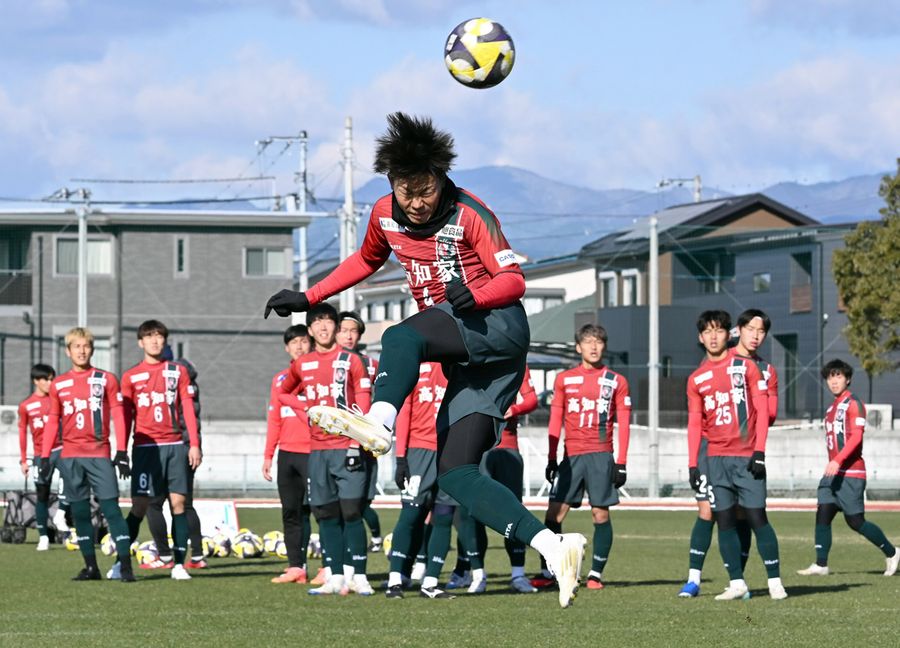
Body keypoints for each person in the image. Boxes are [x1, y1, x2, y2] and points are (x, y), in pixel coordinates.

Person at [265, 112, 586, 608]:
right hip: (473, 358)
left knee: (398, 337)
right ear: (392, 182)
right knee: (457, 472)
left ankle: (378, 420)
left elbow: (515, 280)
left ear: (441, 178)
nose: (415, 202)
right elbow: (366, 261)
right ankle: (553, 547)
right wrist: (310, 297)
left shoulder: (470, 213)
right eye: (404, 189)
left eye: (425, 189)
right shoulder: (383, 213)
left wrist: (474, 297)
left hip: (496, 327)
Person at [686, 310, 786, 601]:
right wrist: (693, 463)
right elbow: (694, 422)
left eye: (719, 331)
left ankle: (775, 581)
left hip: (745, 456)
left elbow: (767, 415)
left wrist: (759, 452)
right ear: (700, 337)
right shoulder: (696, 378)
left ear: (727, 333)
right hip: (714, 457)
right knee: (723, 518)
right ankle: (735, 582)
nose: (713, 337)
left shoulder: (749, 369)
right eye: (708, 332)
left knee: (757, 517)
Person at [277, 302, 374, 595]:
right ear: (310, 329)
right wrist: (306, 408)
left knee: (352, 512)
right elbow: (283, 392)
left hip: (347, 447)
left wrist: (358, 441)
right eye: (317, 322)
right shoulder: (301, 364)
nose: (323, 327)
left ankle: (359, 575)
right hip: (316, 450)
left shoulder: (351, 361)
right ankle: (334, 576)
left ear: (336, 326)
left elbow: (364, 404)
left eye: (328, 321)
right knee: (326, 513)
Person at [531, 325, 630, 591]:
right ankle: (549, 571)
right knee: (554, 513)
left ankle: (596, 574)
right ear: (578, 347)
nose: (593, 346)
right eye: (588, 342)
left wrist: (621, 462)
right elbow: (555, 421)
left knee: (600, 514)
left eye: (598, 341)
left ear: (604, 346)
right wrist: (552, 458)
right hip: (572, 456)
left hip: (601, 455)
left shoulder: (616, 381)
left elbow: (625, 423)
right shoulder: (564, 379)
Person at [40, 327, 134, 581]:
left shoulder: (106, 379)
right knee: (79, 512)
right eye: (76, 346)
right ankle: (90, 567)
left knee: (111, 509)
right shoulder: (58, 384)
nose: (82, 351)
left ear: (92, 349)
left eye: (86, 346)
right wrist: (44, 456)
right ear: (68, 351)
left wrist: (122, 451)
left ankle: (125, 565)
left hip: (99, 454)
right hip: (70, 457)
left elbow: (118, 415)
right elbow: (52, 420)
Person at [796, 359, 900, 577]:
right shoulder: (831, 409)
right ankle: (821, 564)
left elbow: (856, 438)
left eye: (839, 376)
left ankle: (892, 552)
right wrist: (833, 462)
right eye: (830, 377)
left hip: (851, 473)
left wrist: (838, 460)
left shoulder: (854, 404)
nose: (834, 381)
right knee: (823, 513)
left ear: (848, 379)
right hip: (832, 474)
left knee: (855, 522)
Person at [120, 320, 202, 581]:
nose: (155, 341)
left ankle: (178, 564)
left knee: (179, 503)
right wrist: (121, 451)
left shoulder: (178, 372)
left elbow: (187, 408)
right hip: (145, 449)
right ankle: (121, 562)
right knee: (140, 506)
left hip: (175, 446)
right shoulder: (130, 377)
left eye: (159, 337)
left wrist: (195, 445)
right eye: (149, 336)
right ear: (140, 342)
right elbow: (125, 417)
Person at [462, 365, 539, 593]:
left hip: (508, 448)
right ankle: (478, 575)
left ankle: (518, 574)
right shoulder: (470, 361)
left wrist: (513, 409)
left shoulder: (516, 362)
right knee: (474, 511)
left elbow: (532, 399)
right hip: (477, 448)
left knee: (513, 510)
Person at [143, 344, 206, 569]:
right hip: (188, 446)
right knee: (184, 503)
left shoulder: (174, 381)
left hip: (176, 447)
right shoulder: (187, 380)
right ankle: (197, 555)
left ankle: (165, 556)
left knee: (154, 503)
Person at [263, 324, 314, 584]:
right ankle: (296, 566)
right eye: (293, 342)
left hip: (314, 451)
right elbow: (274, 419)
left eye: (303, 341)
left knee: (319, 509)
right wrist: (268, 454)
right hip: (288, 453)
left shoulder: (317, 374)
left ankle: (331, 566)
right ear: (286, 347)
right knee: (290, 511)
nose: (299, 346)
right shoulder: (279, 379)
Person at [337, 310, 383, 553]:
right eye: (343, 331)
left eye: (353, 331)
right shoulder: (327, 362)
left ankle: (374, 537)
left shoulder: (372, 365)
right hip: (333, 442)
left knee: (362, 502)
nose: (348, 336)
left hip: (364, 442)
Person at [19, 363, 69, 550]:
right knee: (42, 494)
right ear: (36, 381)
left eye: (51, 378)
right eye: (45, 379)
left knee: (73, 484)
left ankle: (61, 516)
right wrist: (24, 459)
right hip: (41, 455)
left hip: (62, 449)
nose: (50, 382)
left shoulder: (58, 400)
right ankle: (43, 537)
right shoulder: (26, 405)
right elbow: (23, 431)